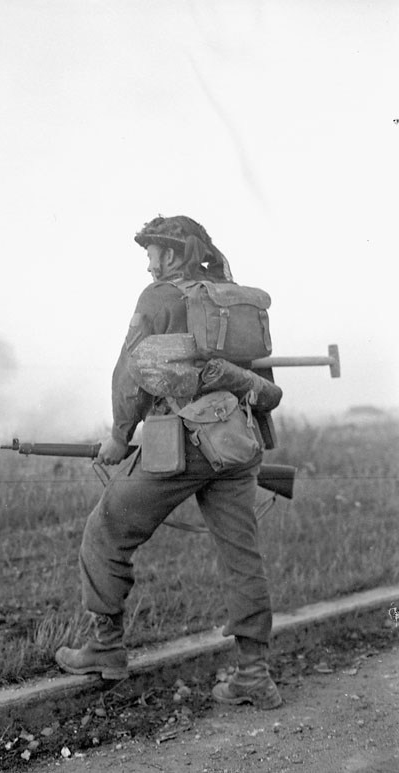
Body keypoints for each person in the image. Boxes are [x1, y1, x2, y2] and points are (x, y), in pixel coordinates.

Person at [55, 215, 282, 710]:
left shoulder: (158, 297)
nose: (149, 263)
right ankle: (254, 675)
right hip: (236, 442)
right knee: (242, 557)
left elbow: (131, 373)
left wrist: (119, 437)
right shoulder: (229, 296)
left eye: (154, 252)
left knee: (106, 529)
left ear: (175, 254)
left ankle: (105, 648)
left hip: (183, 443)